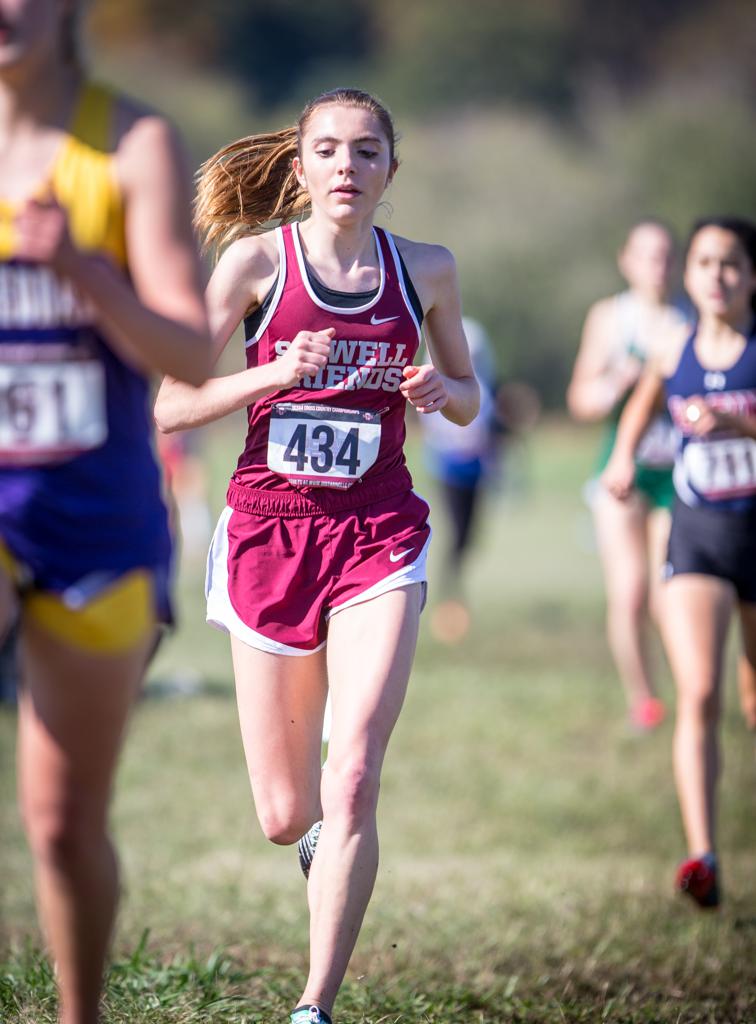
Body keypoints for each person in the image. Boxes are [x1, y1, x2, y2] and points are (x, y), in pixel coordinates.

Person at [154, 87, 479, 1024]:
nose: (347, 166)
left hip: (378, 532)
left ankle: (313, 1006)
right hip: (267, 535)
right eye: (329, 150)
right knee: (285, 812)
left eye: (367, 151)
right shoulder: (254, 263)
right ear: (300, 169)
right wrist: (276, 371)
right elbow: (169, 405)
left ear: (389, 170)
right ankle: (315, 841)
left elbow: (469, 395)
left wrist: (435, 386)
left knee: (354, 773)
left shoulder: (427, 269)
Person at [0, 3, 211, 1022]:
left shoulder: (130, 142)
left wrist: (81, 270)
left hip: (96, 515)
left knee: (62, 824)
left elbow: (190, 352)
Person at [603, 215, 756, 908]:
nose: (716, 276)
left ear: (751, 276)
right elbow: (641, 406)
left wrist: (738, 424)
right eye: (703, 263)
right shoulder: (674, 347)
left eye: (730, 264)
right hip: (697, 539)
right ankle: (704, 855)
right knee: (698, 692)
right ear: (688, 275)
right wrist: (620, 458)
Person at [567, 220, 689, 730]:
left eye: (665, 255)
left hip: (677, 474)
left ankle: (691, 693)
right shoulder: (610, 318)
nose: (656, 265)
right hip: (620, 472)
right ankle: (644, 701)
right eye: (646, 255)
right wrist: (621, 380)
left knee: (671, 594)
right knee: (631, 591)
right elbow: (580, 402)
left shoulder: (690, 320)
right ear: (627, 261)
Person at [419, 316, 503, 643]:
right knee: (456, 534)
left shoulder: (483, 386)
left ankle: (454, 589)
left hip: (477, 470)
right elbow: (438, 429)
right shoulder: (438, 381)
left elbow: (490, 428)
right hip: (449, 468)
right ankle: (449, 596)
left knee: (470, 537)